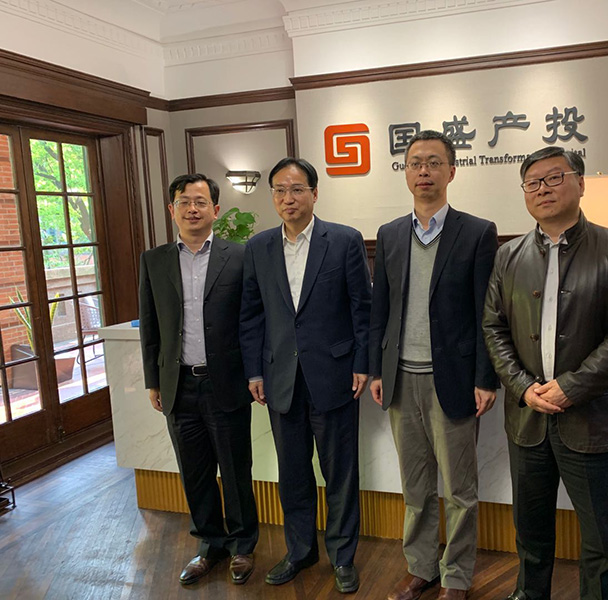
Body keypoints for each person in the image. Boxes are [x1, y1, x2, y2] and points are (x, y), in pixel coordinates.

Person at [482, 146, 608, 600]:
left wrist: (572, 387)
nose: (543, 189)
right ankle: (529, 593)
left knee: (600, 538)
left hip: (593, 419)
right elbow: (493, 327)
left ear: (580, 183)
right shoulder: (508, 255)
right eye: (532, 182)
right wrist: (522, 388)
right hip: (528, 419)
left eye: (554, 178)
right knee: (529, 529)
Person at [369, 130, 499, 600]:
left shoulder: (477, 232)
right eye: (415, 163)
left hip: (455, 381)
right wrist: (377, 369)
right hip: (401, 379)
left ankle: (456, 577)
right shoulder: (390, 234)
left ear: (451, 171)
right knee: (415, 487)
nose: (423, 171)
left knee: (460, 490)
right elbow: (380, 310)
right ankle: (420, 568)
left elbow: (488, 313)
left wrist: (486, 378)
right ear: (406, 172)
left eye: (433, 163)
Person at [239, 157, 371, 594]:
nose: (288, 198)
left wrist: (362, 363)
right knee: (293, 474)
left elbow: (362, 309)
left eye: (297, 189)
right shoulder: (259, 247)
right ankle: (299, 551)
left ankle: (343, 556)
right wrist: (254, 371)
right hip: (280, 379)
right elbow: (251, 316)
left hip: (335, 376)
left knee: (340, 475)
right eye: (279, 190)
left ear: (315, 193)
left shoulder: (344, 241)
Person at [139, 173, 259, 586]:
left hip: (227, 382)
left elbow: (252, 321)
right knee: (194, 472)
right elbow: (150, 326)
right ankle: (210, 545)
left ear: (215, 210)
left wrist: (255, 372)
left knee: (236, 469)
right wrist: (153, 380)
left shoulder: (240, 256)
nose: (192, 209)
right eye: (184, 202)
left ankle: (242, 545)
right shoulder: (154, 260)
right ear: (171, 210)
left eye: (201, 202)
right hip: (179, 386)